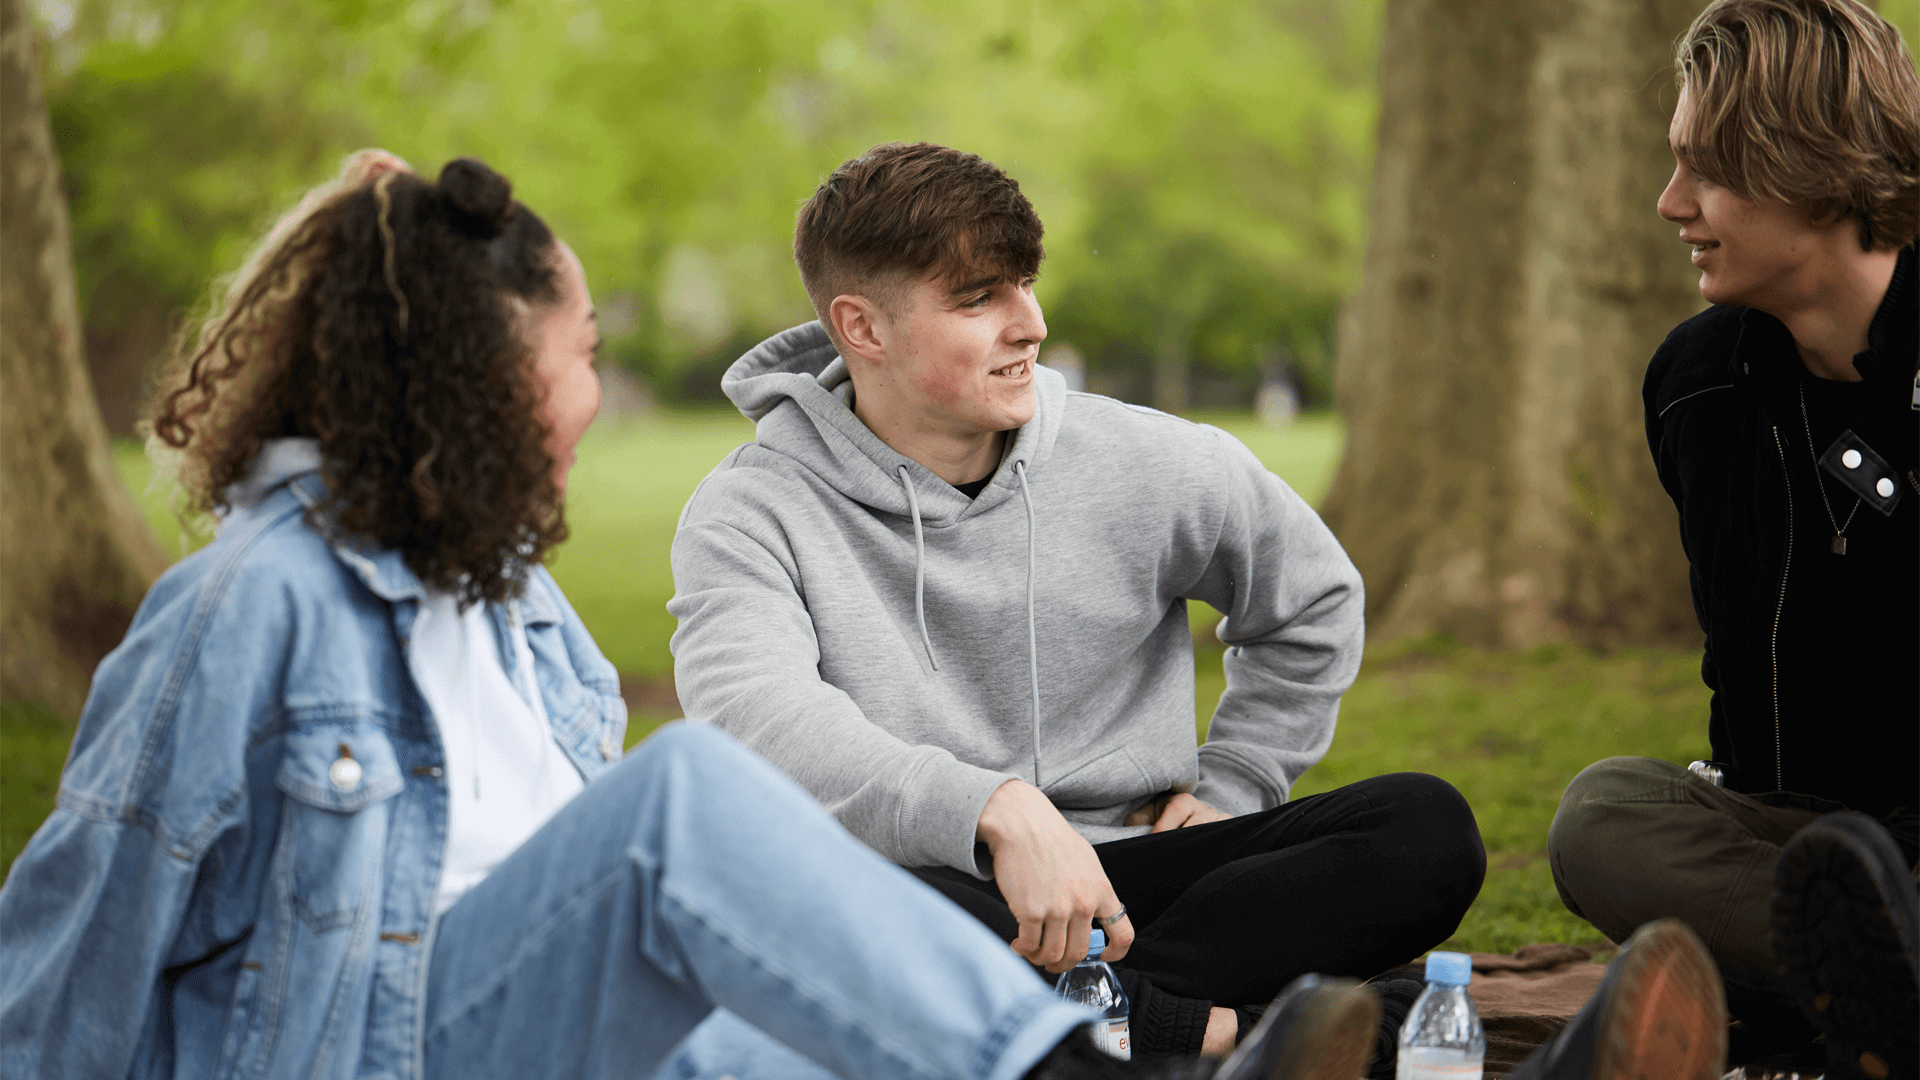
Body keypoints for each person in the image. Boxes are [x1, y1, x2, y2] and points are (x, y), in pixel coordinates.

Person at [0, 151, 1398, 1080]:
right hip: (362, 1048)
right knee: (682, 805)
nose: (596, 392)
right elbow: (84, 930)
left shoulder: (519, 612)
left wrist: (1215, 790)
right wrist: (988, 803)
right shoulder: (249, 606)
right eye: (583, 355)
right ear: (478, 380)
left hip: (574, 1027)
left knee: (821, 1039)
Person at [666, 141, 1487, 1072]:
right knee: (790, 897)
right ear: (863, 327)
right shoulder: (751, 507)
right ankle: (1227, 1035)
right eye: (979, 299)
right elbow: (757, 719)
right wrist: (995, 809)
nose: (1032, 323)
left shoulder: (1150, 460)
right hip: (925, 883)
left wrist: (1237, 782)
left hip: (1137, 877)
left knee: (1424, 829)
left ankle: (1091, 1029)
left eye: (1024, 284)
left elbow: (1313, 602)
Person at [1545, 1, 1919, 1076]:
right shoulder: (1695, 385)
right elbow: (1737, 670)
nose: (1670, 205)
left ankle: (1842, 988)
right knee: (1603, 817)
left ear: (1815, 167)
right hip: (1801, 841)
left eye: (1704, 170)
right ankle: (1872, 987)